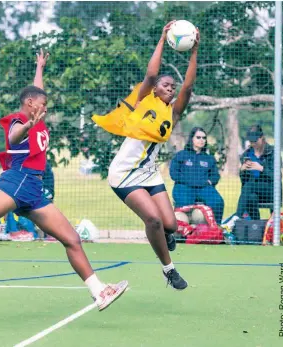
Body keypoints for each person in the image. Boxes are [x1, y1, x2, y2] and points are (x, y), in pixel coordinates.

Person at [0, 49, 128, 310]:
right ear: (30, 104)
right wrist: (29, 125)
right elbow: (13, 138)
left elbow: (37, 89)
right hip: (18, 181)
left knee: (72, 238)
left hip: (34, 190)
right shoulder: (21, 120)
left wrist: (40, 66)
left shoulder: (36, 115)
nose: (46, 108)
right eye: (42, 104)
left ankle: (99, 292)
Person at [93, 21, 199, 290]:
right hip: (125, 174)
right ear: (155, 88)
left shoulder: (172, 113)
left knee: (171, 226)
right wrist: (163, 38)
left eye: (171, 86)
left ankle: (164, 234)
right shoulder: (144, 100)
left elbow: (188, 87)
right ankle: (169, 270)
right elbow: (151, 74)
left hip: (149, 172)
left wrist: (194, 51)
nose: (170, 87)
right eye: (166, 84)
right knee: (152, 219)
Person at [170, 127, 224, 224]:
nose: (201, 140)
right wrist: (187, 181)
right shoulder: (181, 155)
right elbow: (173, 173)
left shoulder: (209, 158)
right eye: (198, 137)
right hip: (184, 186)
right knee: (184, 204)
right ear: (192, 139)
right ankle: (184, 230)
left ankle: (215, 229)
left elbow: (215, 175)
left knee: (218, 202)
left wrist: (209, 182)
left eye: (204, 138)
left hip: (203, 188)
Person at [236, 125, 277, 220]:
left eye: (255, 140)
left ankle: (236, 218)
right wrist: (242, 170)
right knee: (251, 198)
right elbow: (244, 180)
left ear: (262, 138)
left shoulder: (272, 152)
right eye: (251, 141)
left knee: (249, 186)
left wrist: (261, 168)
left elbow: (276, 176)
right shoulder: (246, 155)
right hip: (252, 191)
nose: (253, 143)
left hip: (269, 190)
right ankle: (256, 225)